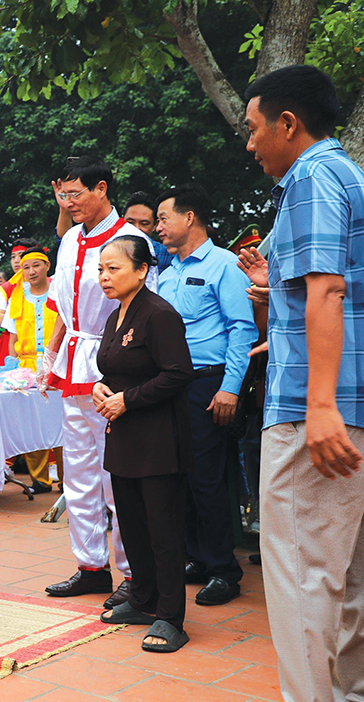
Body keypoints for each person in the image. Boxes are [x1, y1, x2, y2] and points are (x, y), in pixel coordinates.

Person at [243, 64, 364, 702]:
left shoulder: (312, 178)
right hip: (354, 404)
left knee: (300, 573)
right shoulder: (349, 177)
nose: (252, 143)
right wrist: (271, 288)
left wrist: (319, 408)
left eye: (255, 129)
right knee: (350, 579)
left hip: (314, 411)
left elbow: (327, 291)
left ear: (289, 124)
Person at [40, 156, 159, 610]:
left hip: (115, 364)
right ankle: (91, 566)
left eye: (75, 194)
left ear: (102, 189)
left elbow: (148, 307)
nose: (67, 203)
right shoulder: (69, 239)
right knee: (81, 474)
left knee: (118, 476)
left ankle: (133, 573)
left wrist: (131, 372)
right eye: (61, 194)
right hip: (74, 362)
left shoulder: (132, 241)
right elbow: (62, 309)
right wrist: (51, 357)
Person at [155, 183, 258, 606]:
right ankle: (196, 556)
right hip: (171, 386)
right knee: (179, 475)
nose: (158, 227)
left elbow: (242, 329)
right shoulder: (167, 271)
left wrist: (230, 388)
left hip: (207, 383)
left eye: (163, 218)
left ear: (189, 217)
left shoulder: (223, 266)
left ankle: (223, 570)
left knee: (208, 478)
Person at [93, 236, 194, 653]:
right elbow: (115, 370)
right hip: (123, 438)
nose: (104, 277)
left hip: (156, 439)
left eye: (114, 268)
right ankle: (143, 598)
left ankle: (171, 617)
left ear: (141, 270)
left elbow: (178, 373)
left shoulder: (159, 314)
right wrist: (103, 389)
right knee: (131, 523)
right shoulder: (116, 314)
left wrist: (126, 399)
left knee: (163, 530)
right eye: (101, 269)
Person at [2, 246, 63, 493]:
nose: (30, 271)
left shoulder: (59, 294)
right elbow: (11, 337)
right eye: (25, 267)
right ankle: (40, 479)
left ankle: (67, 477)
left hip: (58, 366)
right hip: (27, 368)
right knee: (32, 424)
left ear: (47, 266)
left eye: (36, 265)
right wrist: (13, 367)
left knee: (62, 422)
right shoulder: (17, 298)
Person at [0, 241, 31, 366]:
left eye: (21, 255)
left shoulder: (50, 284)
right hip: (10, 345)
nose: (16, 260)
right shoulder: (5, 288)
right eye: (13, 257)